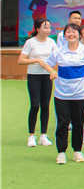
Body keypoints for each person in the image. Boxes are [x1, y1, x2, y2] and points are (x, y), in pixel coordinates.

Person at [45, 23, 84, 164]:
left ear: (79, 35)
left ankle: (78, 151)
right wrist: (52, 71)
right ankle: (61, 152)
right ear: (64, 35)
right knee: (63, 123)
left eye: (74, 32)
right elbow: (47, 63)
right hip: (62, 94)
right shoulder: (59, 51)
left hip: (81, 94)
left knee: (78, 122)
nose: (71, 34)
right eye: (68, 32)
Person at [18, 17, 57, 147]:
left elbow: (57, 58)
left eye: (49, 27)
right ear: (37, 28)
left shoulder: (52, 42)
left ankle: (43, 136)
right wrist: (37, 61)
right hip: (34, 76)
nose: (48, 30)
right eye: (45, 27)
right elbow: (21, 60)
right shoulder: (30, 42)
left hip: (47, 77)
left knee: (45, 105)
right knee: (35, 105)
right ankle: (31, 136)